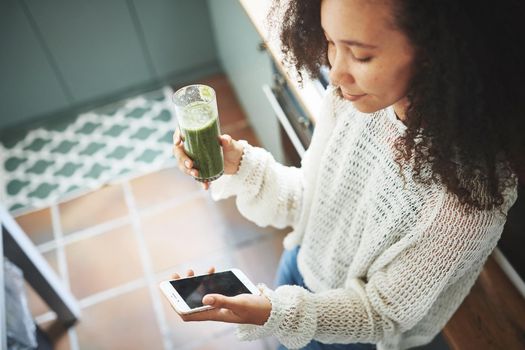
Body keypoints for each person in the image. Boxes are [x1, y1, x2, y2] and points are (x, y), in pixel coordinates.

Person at [171, 0, 524, 349]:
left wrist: (274, 313)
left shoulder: (468, 198)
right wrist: (240, 166)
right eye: (330, 41)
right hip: (299, 269)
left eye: (361, 56)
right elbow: (309, 198)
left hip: (353, 338)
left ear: (437, 52)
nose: (335, 73)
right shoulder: (355, 100)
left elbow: (379, 314)